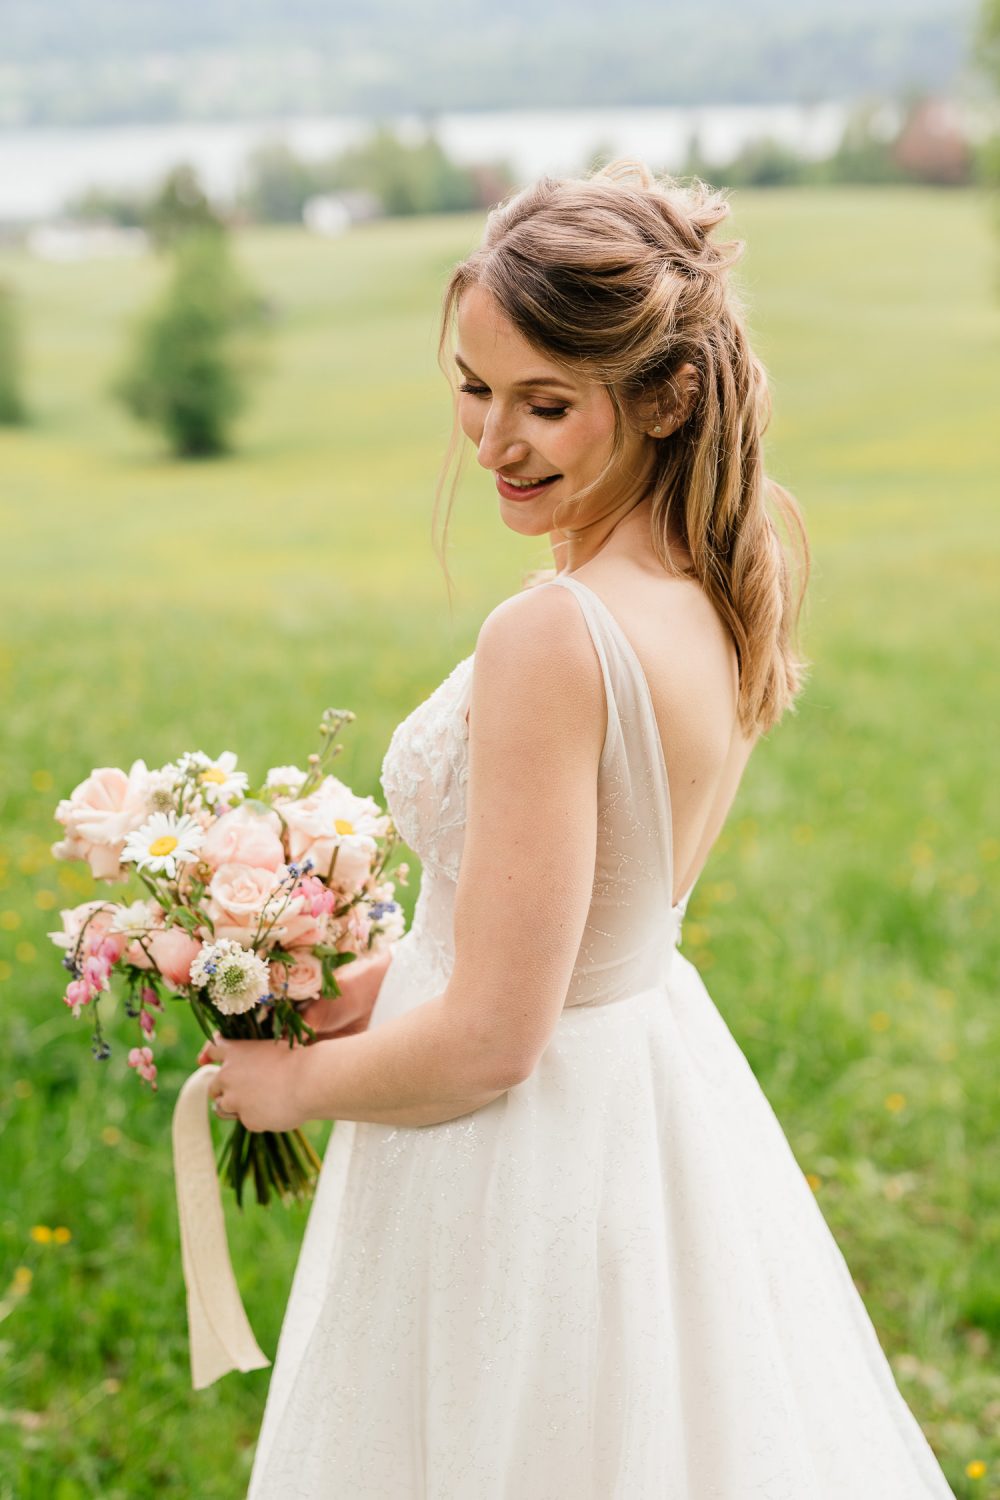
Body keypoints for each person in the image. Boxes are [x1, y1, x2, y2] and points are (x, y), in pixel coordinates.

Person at [199, 158, 956, 1497]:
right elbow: (601, 917)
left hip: (519, 1151)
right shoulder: (723, 568)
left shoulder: (551, 634)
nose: (495, 444)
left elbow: (496, 1039)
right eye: (474, 391)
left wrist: (292, 1086)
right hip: (644, 1099)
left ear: (661, 396)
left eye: (547, 405)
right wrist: (378, 985)